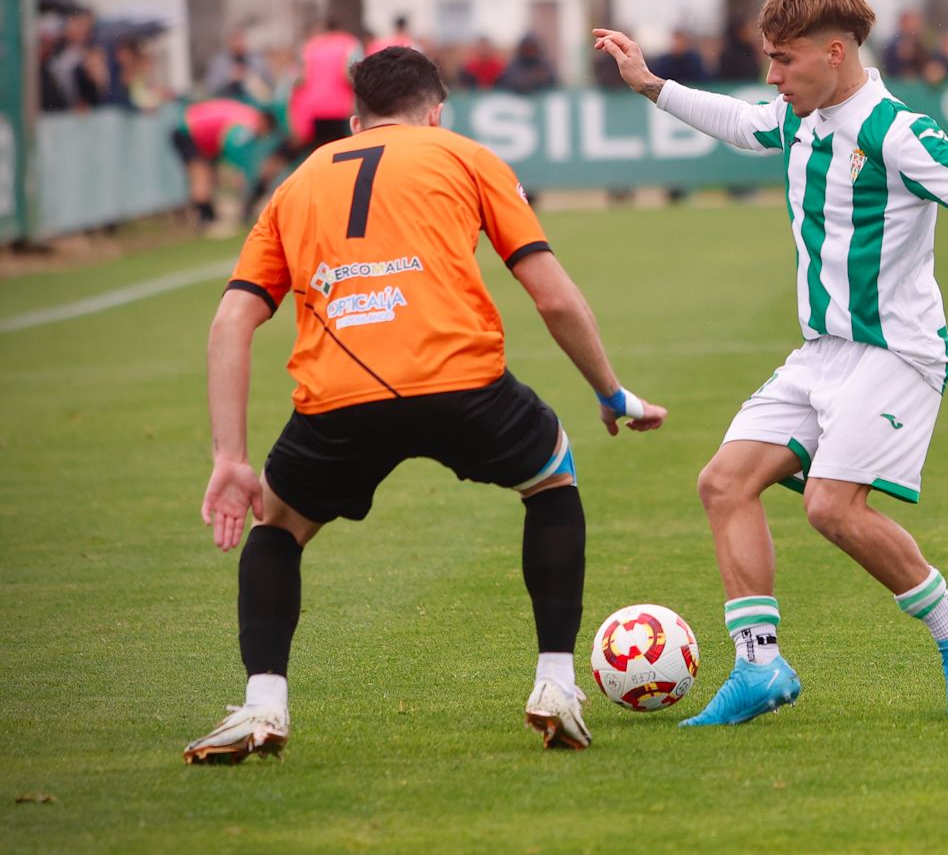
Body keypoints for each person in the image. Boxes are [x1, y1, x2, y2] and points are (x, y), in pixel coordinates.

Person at [593, 0, 948, 726]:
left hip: (898, 354)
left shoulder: (896, 129)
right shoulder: (801, 115)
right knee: (724, 482)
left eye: (783, 60)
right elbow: (743, 123)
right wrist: (652, 84)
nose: (772, 75)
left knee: (831, 506)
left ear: (834, 51)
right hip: (823, 354)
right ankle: (760, 667)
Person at [182, 47, 666, 763]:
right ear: (435, 111)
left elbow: (231, 321)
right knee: (551, 477)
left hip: (340, 396)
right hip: (461, 384)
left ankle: (263, 703)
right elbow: (553, 295)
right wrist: (609, 389)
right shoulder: (464, 155)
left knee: (278, 528)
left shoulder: (297, 181)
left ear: (353, 121)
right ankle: (556, 683)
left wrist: (230, 458)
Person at [248, 19, 364, 211]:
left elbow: (298, 80)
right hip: (336, 111)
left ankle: (254, 200)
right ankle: (335, 203)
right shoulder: (349, 44)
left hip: (307, 115)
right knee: (337, 160)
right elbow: (349, 74)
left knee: (287, 157)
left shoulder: (310, 47)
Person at [170, 97, 278, 232]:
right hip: (188, 131)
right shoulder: (247, 124)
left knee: (207, 175)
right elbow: (231, 144)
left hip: (197, 130)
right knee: (201, 174)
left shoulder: (248, 115)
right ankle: (205, 219)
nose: (262, 136)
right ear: (265, 123)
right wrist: (236, 172)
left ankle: (209, 217)